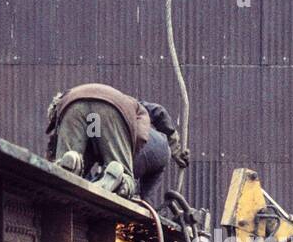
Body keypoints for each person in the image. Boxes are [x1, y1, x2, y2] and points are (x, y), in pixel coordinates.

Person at [46, 84, 187, 205]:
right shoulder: (121, 102)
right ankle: (123, 183)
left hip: (74, 105)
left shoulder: (67, 104)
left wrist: (175, 149)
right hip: (112, 110)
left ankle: (75, 160)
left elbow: (54, 157)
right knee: (119, 173)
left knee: (67, 167)